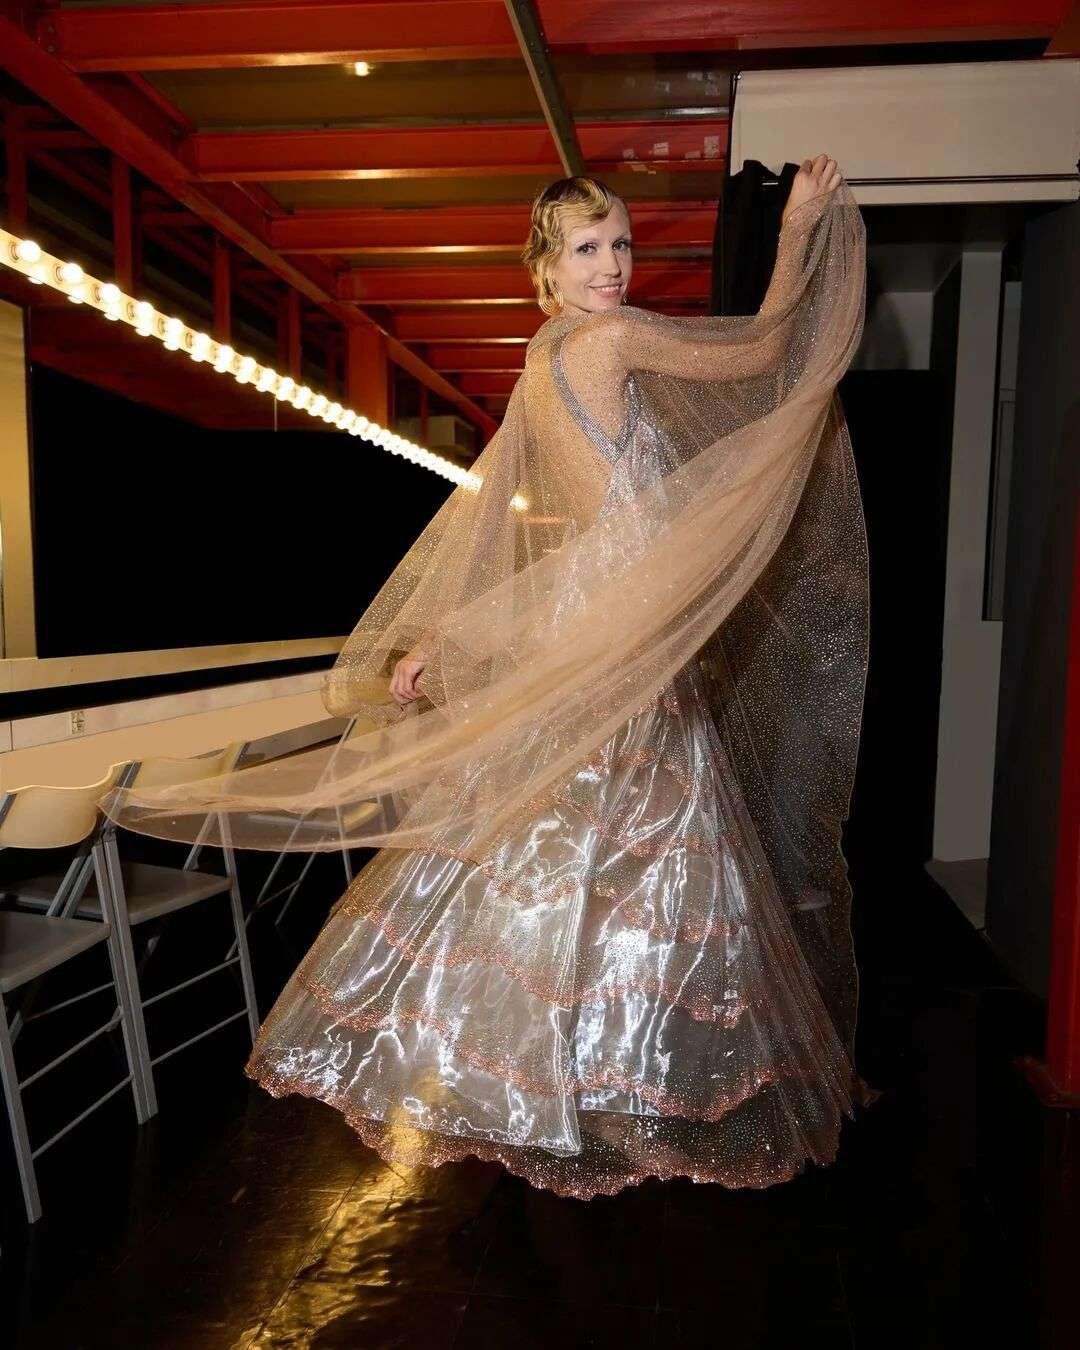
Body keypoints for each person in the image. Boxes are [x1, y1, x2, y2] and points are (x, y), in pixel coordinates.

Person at [102, 156, 877, 1199]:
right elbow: (769, 348)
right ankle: (618, 1076)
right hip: (623, 634)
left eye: (621, 244)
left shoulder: (543, 356)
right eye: (587, 249)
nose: (612, 267)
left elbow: (497, 516)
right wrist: (797, 231)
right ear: (546, 268)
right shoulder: (603, 340)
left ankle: (538, 1070)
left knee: (566, 849)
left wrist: (442, 633)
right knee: (638, 852)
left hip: (610, 626)